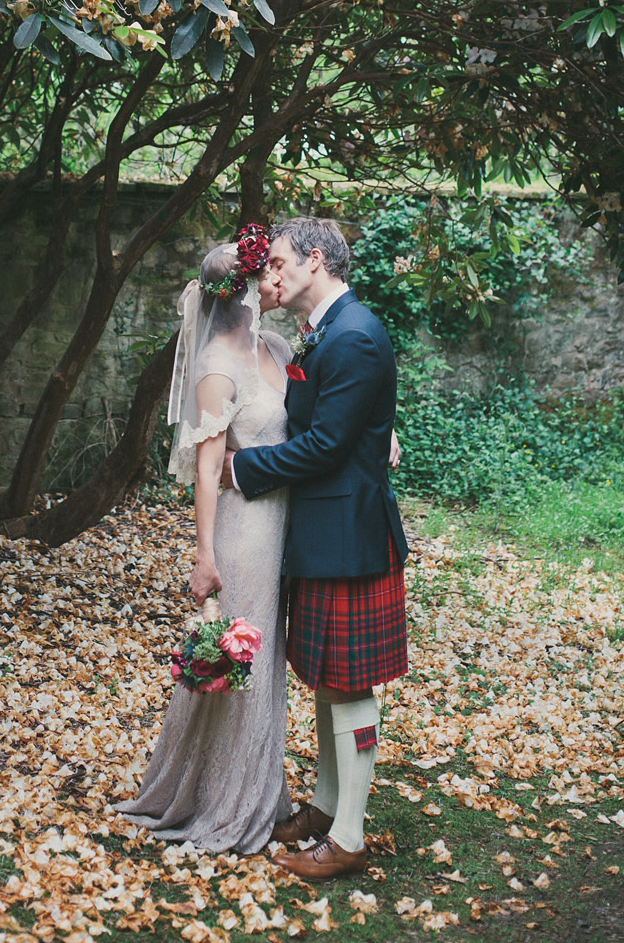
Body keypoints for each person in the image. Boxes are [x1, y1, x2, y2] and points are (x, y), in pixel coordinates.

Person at [228, 215, 409, 883]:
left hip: (350, 535)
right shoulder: (330, 331)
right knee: (329, 679)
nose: (271, 272)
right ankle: (329, 806)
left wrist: (242, 470)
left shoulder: (355, 334)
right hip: (326, 530)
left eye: (279, 260)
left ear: (314, 260)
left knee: (350, 682)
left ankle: (351, 836)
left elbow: (329, 445)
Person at [118, 227, 294, 853]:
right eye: (267, 271)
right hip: (244, 531)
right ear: (242, 288)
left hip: (284, 526)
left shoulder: (275, 344)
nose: (279, 277)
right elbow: (205, 470)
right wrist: (204, 555)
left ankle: (260, 788)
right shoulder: (216, 368)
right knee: (237, 663)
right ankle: (221, 799)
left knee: (266, 661)